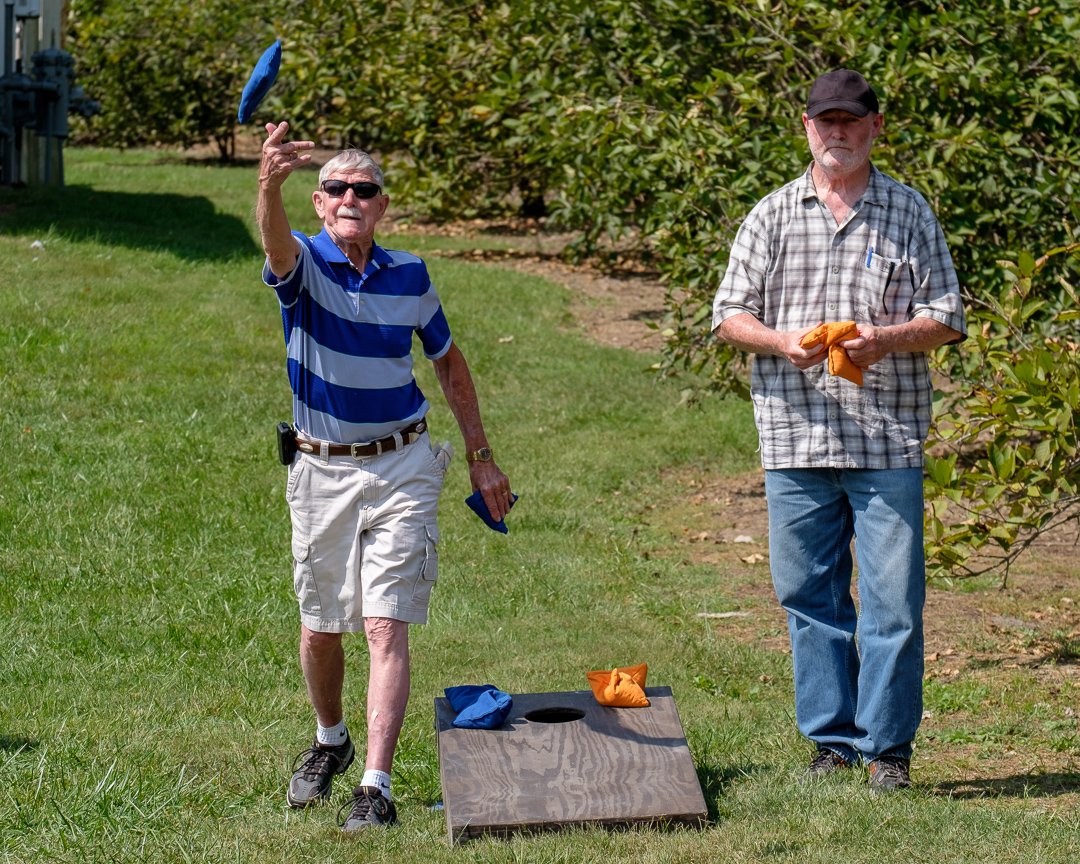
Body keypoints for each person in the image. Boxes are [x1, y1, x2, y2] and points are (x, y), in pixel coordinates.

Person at [711, 69, 966, 791]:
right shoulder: (771, 214)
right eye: (826, 120)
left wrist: (886, 339)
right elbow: (728, 311)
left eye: (851, 120)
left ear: (875, 127)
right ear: (806, 126)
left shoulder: (908, 211)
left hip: (886, 439)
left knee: (892, 602)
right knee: (808, 596)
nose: (838, 132)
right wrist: (779, 340)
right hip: (794, 437)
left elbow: (949, 317)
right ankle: (832, 743)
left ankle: (888, 751)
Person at [256, 121, 513, 830]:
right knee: (320, 628)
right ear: (318, 201)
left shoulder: (411, 275)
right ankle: (330, 740)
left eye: (364, 190)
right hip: (321, 469)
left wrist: (482, 456)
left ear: (382, 204)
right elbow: (274, 246)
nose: (350, 198)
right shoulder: (303, 264)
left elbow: (448, 364)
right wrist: (267, 186)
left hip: (402, 463)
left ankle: (376, 786)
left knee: (383, 624)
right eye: (336, 188)